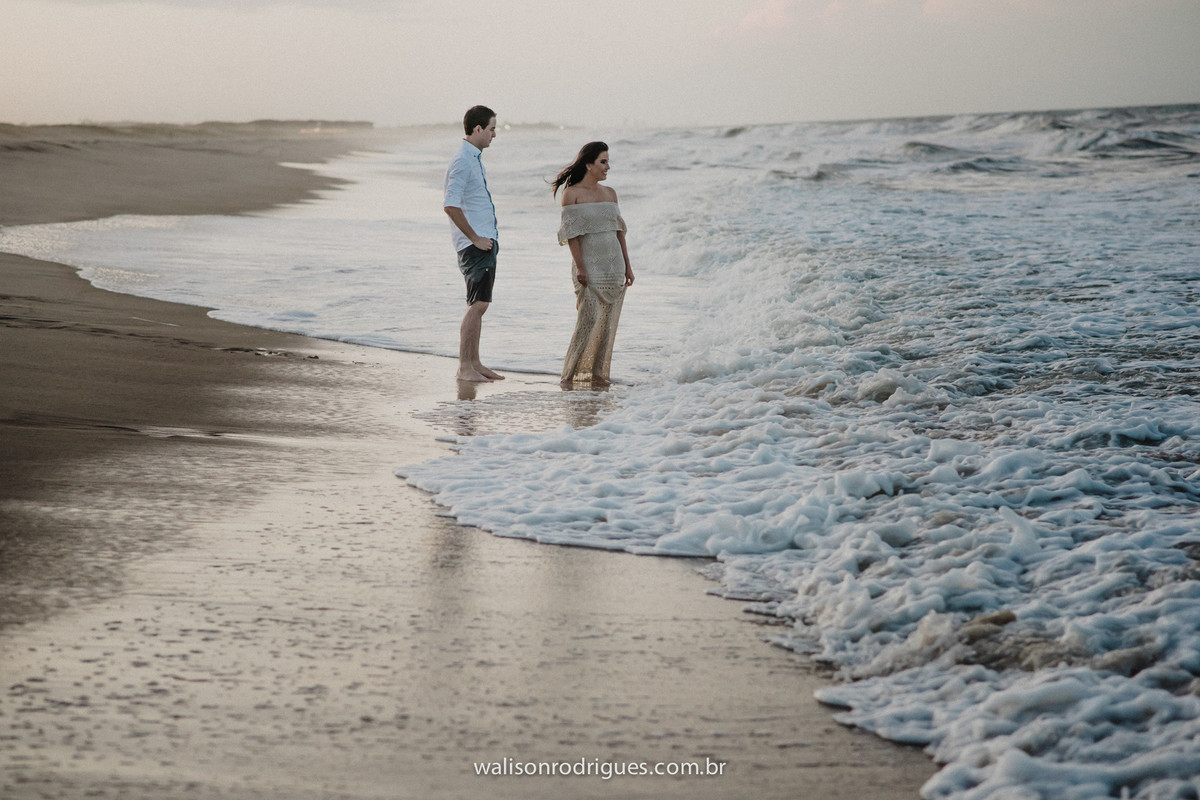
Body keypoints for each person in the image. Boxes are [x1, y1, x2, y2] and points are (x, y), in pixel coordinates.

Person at [552, 142, 635, 386]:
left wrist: (628, 267)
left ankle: (598, 375)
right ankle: (569, 376)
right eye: (603, 162)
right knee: (587, 321)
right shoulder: (572, 194)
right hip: (588, 266)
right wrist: (580, 267)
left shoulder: (610, 193)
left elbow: (620, 232)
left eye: (608, 161)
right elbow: (572, 235)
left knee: (608, 324)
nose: (608, 166)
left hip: (614, 267)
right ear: (588, 165)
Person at [444, 105, 504, 382]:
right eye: (491, 129)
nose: (494, 134)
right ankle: (464, 367)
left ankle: (475, 363)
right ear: (478, 129)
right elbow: (451, 206)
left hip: (484, 241)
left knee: (481, 304)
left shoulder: (473, 158)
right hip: (474, 245)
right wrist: (475, 238)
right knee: (476, 304)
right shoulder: (462, 161)